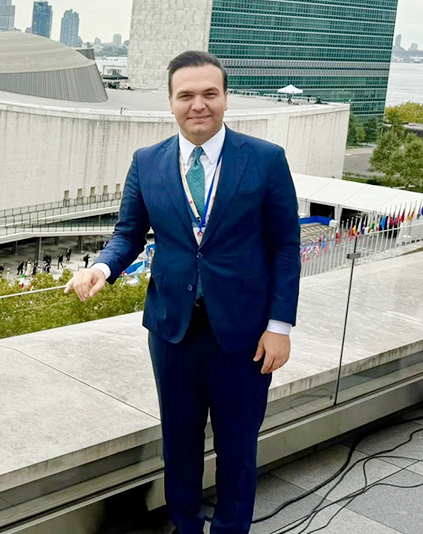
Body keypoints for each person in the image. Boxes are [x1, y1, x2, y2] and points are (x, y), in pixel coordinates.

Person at [66, 51, 298, 534]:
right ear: (170, 102)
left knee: (238, 445)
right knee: (179, 442)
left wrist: (280, 327)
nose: (198, 105)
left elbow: (284, 246)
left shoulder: (265, 159)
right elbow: (129, 233)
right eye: (186, 95)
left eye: (210, 94)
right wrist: (102, 268)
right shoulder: (147, 162)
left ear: (225, 98)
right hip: (173, 330)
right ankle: (187, 526)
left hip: (245, 334)